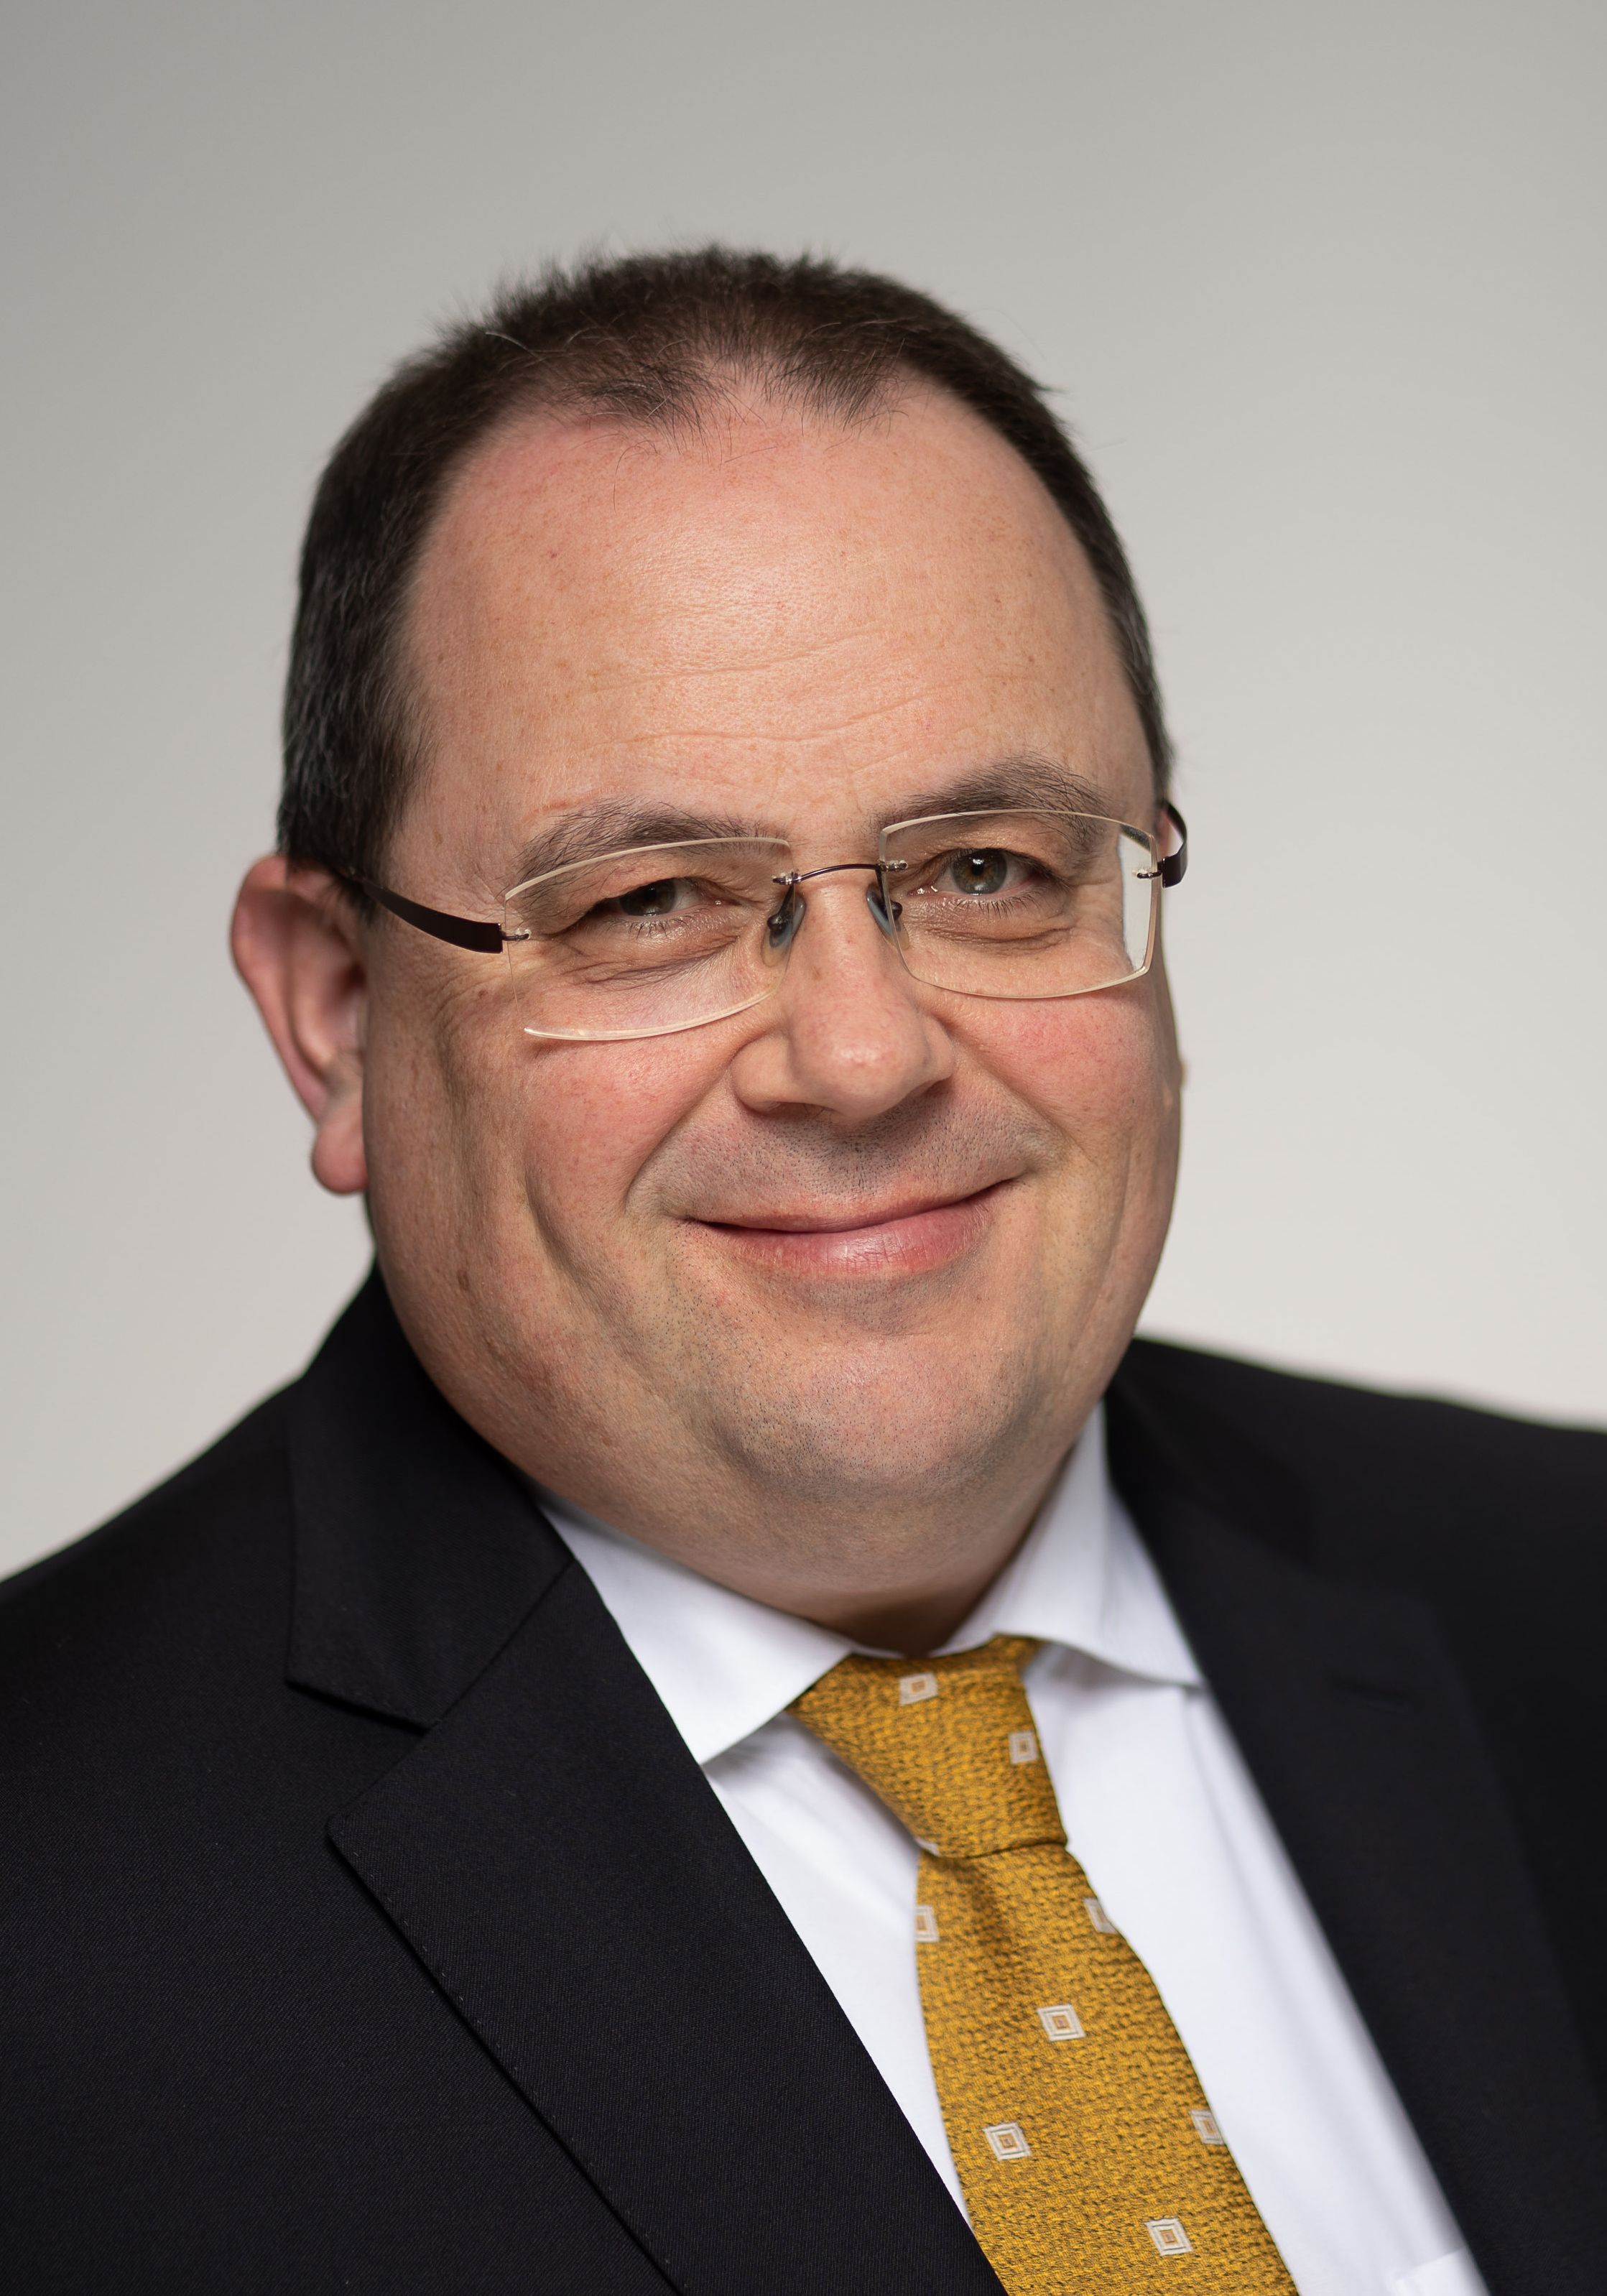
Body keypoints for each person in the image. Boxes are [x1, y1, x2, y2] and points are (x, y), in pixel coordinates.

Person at [2, 249, 1602, 2296]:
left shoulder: (1570, 1597)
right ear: (332, 1016)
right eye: (653, 900)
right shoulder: (42, 1925)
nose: (862, 1054)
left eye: (988, 871)